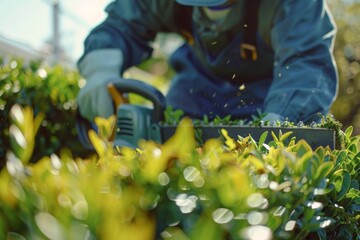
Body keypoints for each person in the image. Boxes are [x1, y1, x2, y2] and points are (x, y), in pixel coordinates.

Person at [77, 0, 338, 124]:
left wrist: (283, 118)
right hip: (194, 89)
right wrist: (101, 71)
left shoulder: (293, 4)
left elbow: (307, 60)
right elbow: (122, 23)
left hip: (268, 97)